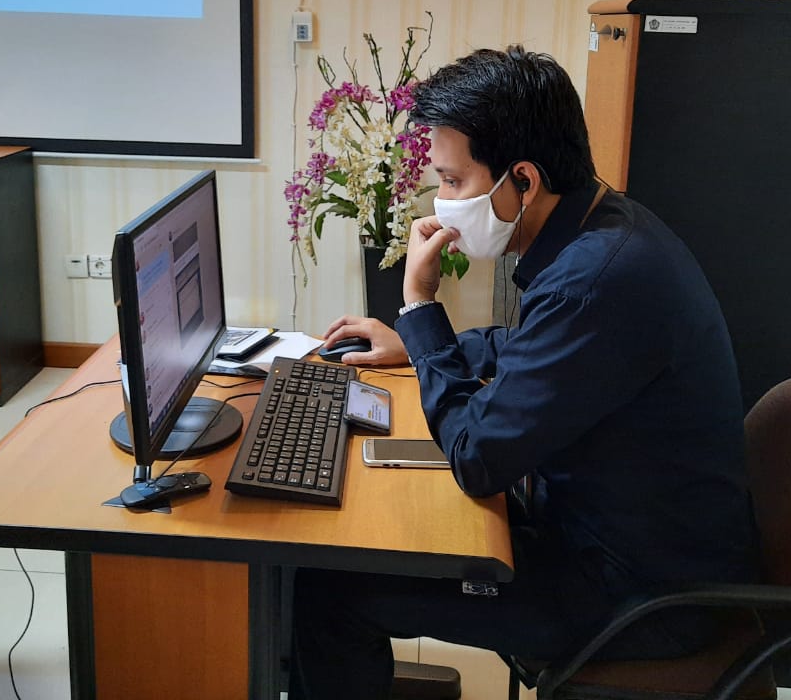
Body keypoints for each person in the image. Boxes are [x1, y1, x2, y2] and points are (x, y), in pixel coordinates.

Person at [291, 46, 757, 699]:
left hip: (638, 597)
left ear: (524, 180)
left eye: (453, 181)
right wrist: (419, 345)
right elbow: (532, 345)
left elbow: (477, 458)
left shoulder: (593, 280)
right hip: (622, 545)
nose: (441, 203)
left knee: (330, 590)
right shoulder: (605, 228)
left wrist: (420, 308)